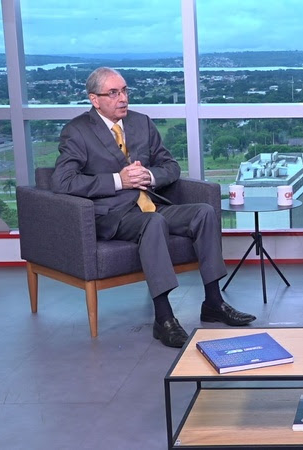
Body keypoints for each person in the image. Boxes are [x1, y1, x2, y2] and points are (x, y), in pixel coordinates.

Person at [51, 67, 255, 348]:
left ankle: (213, 303)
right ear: (94, 99)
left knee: (204, 213)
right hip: (112, 215)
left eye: (124, 91)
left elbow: (170, 166)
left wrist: (151, 176)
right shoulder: (77, 131)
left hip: (151, 205)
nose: (123, 98)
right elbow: (62, 182)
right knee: (153, 223)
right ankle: (164, 318)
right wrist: (117, 181)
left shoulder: (141, 123)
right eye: (113, 93)